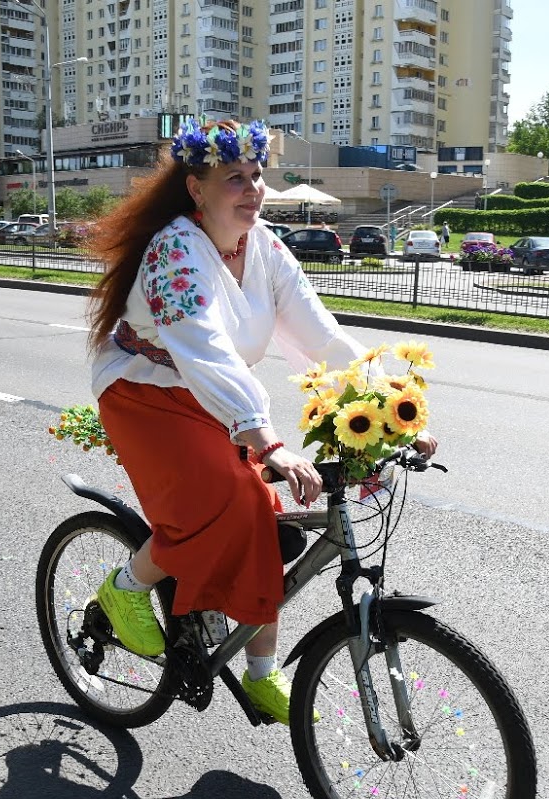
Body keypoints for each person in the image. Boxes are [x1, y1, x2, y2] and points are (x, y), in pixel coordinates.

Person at [84, 118, 438, 724]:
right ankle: (126, 586)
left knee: (265, 522)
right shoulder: (175, 248)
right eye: (234, 180)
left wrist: (391, 411)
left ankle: (257, 671)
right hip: (146, 393)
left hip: (213, 397)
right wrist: (267, 439)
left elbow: (319, 337)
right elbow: (203, 348)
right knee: (234, 501)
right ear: (196, 188)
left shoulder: (265, 247)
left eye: (257, 177)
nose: (252, 191)